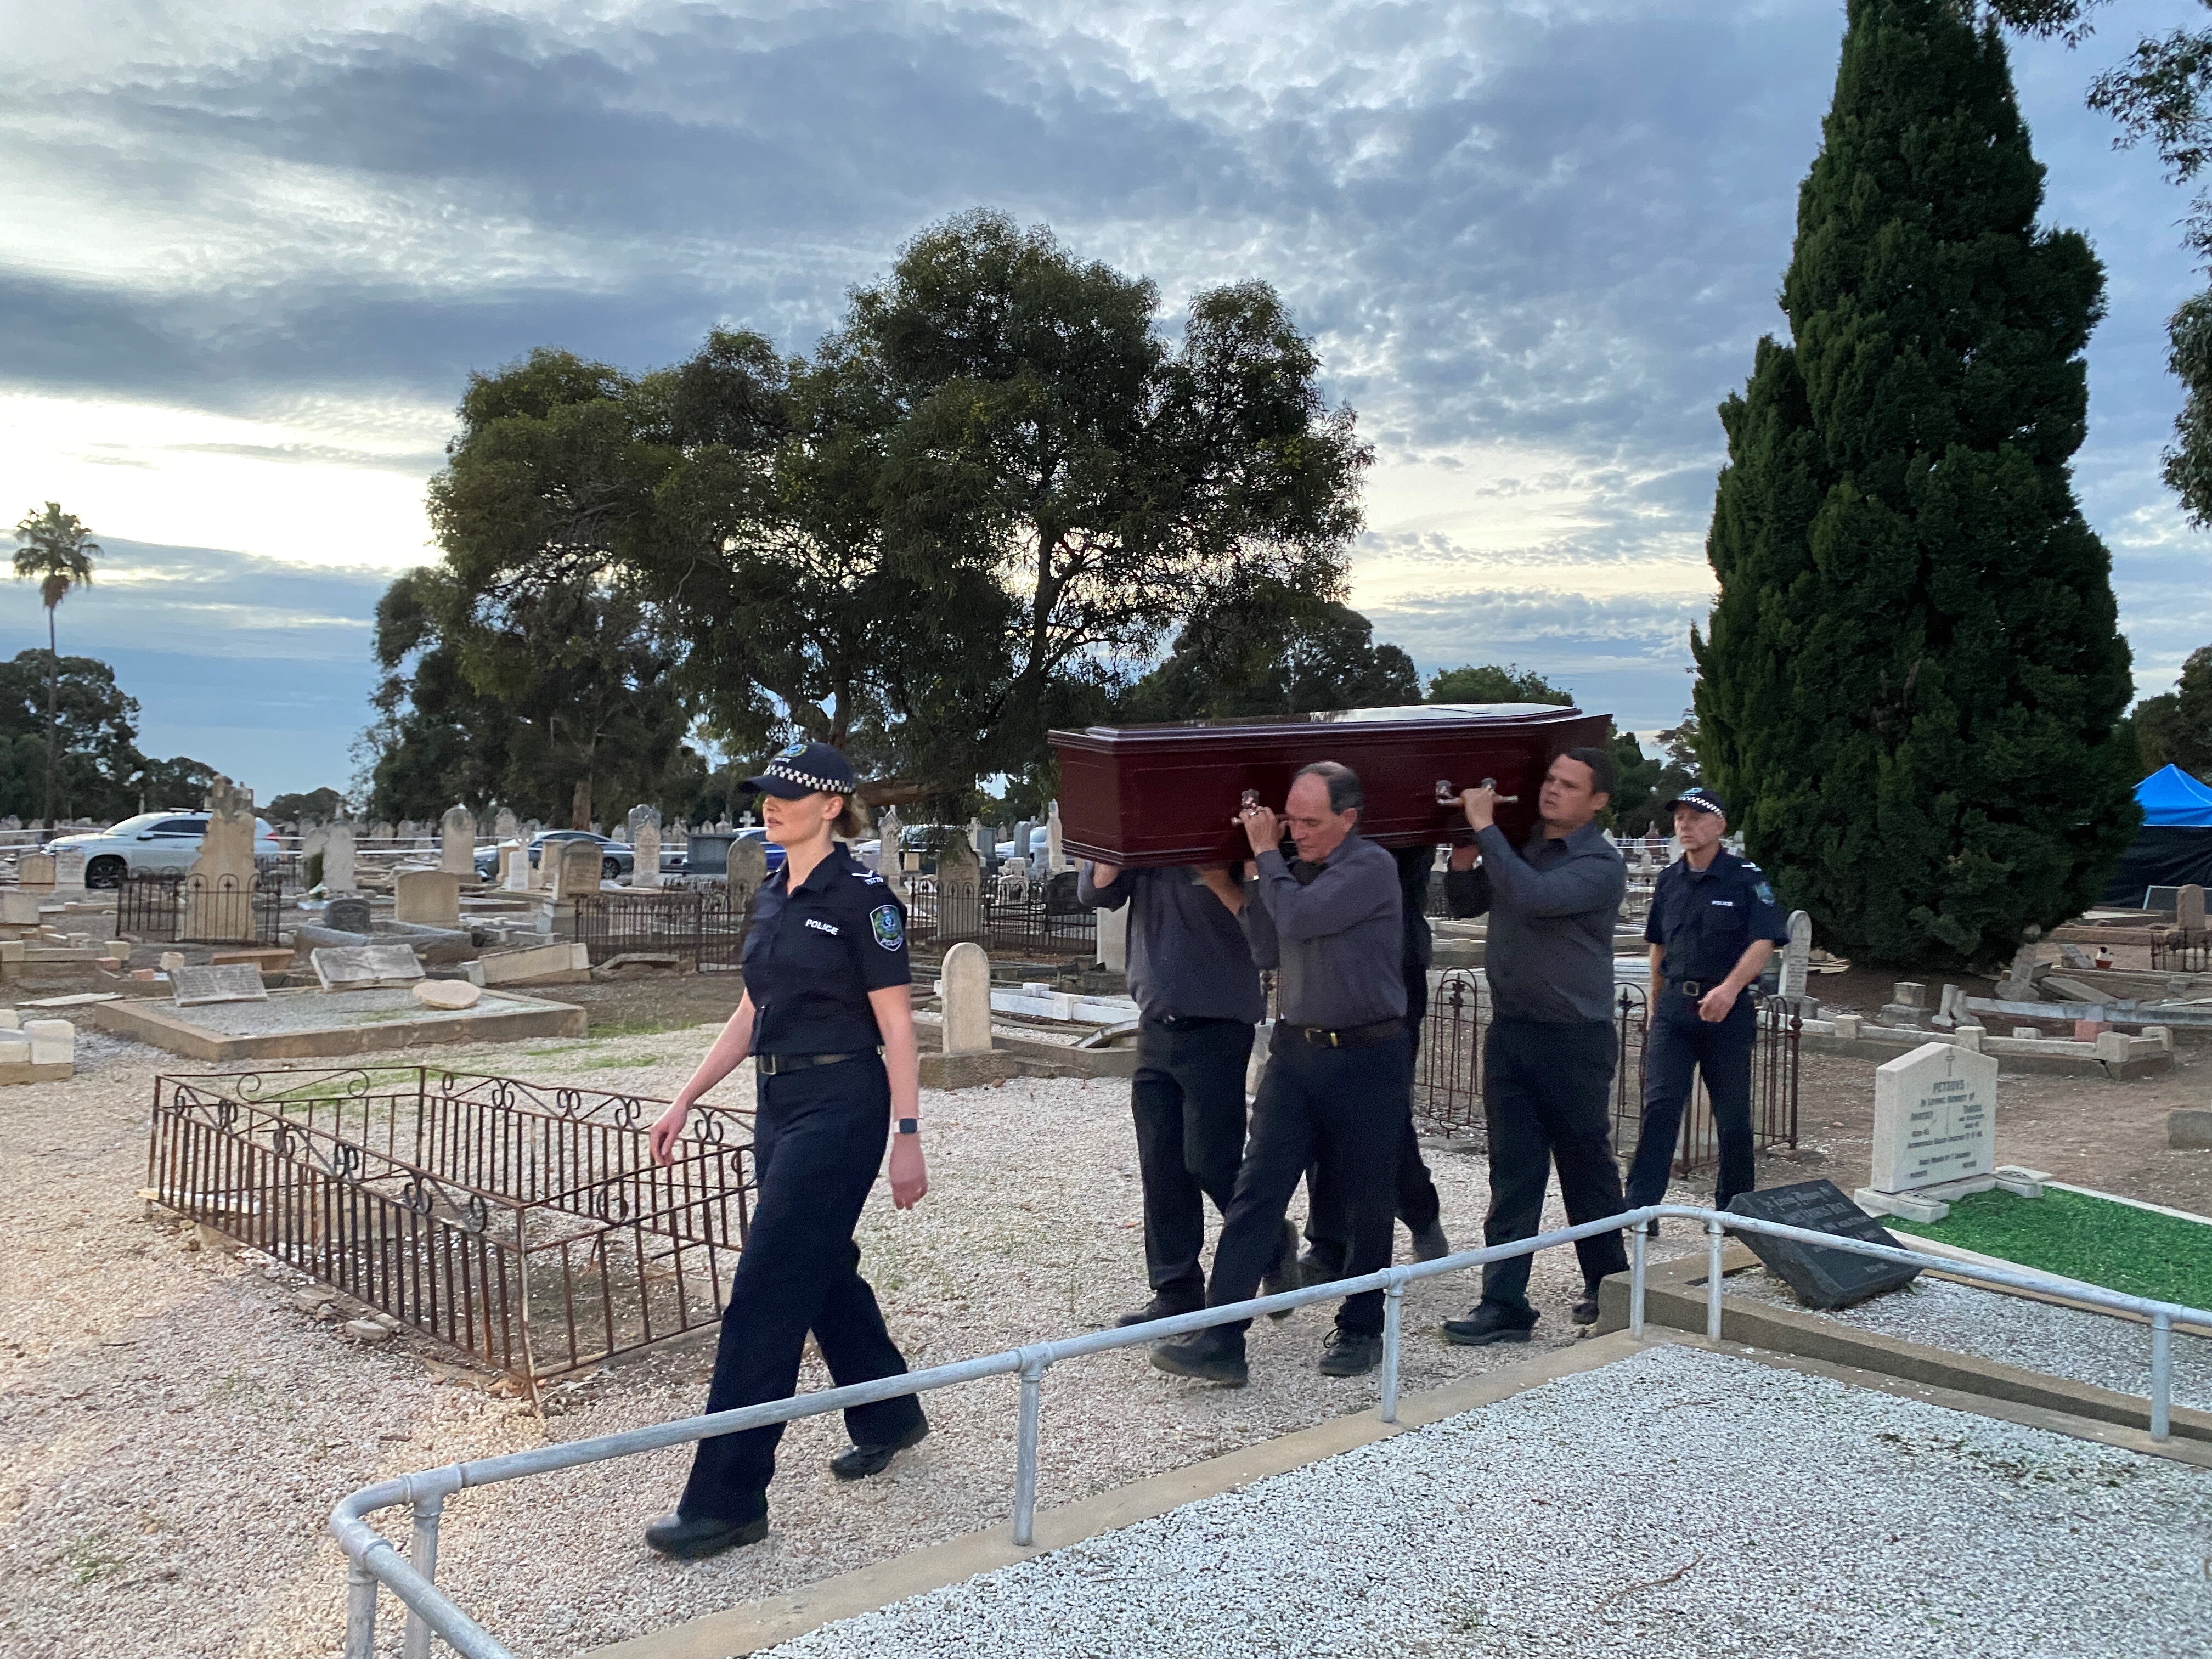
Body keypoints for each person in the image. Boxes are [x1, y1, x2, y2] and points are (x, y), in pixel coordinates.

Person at [640, 741, 929, 1561]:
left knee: (767, 1287)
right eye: (766, 793)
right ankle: (889, 1413)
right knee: (821, 1269)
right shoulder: (773, 889)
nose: (771, 805)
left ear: (833, 805)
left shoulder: (864, 898)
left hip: (843, 1106)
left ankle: (727, 1501)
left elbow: (899, 1026)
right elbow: (749, 1012)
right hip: (779, 1101)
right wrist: (687, 1094)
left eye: (789, 796)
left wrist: (908, 1136)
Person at [1152, 762, 1409, 1385]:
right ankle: (1223, 1339)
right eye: (1290, 820)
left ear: (1349, 820)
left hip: (1368, 1055)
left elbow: (1298, 920)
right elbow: (1270, 946)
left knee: (1367, 1197)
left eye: (1311, 822)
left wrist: (1266, 854)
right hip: (1299, 1053)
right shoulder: (1293, 872)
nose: (1297, 832)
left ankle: (1362, 1326)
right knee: (1256, 1191)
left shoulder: (1370, 867)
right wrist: (1235, 876)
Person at [1438, 747, 1629, 1345]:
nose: (1552, 791)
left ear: (1597, 801)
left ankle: (1610, 1284)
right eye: (1550, 779)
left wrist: (1486, 828)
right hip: (1513, 1032)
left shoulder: (1600, 863)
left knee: (1586, 1170)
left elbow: (1535, 898)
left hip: (1575, 1038)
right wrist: (1465, 852)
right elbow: (1467, 902)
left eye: (1570, 786)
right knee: (1514, 1174)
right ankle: (1504, 1304)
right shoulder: (1520, 844)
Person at [1078, 857, 1295, 1326]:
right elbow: (1095, 895)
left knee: (1211, 1160)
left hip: (1218, 1020)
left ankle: (1272, 1242)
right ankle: (1176, 1288)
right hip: (1156, 1020)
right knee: (1161, 1162)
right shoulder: (1146, 842)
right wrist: (1105, 862)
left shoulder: (1227, 839)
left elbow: (1267, 929)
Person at [1623, 787, 1789, 1226]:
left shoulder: (1745, 877)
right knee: (1660, 1108)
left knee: (1732, 1114)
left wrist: (1732, 988)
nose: (1686, 825)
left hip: (1727, 1011)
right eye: (1680, 817)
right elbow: (1658, 947)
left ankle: (1735, 1210)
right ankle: (1641, 1209)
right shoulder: (1669, 880)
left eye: (1697, 817)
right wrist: (1656, 1006)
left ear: (1720, 825)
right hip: (1676, 1009)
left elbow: (1764, 941)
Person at [1296, 843, 1451, 1283]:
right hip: (1326, 961)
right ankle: (1329, 1242)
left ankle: (1416, 1209)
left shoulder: (1386, 838)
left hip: (1390, 969)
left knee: (1379, 1110)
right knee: (1324, 1105)